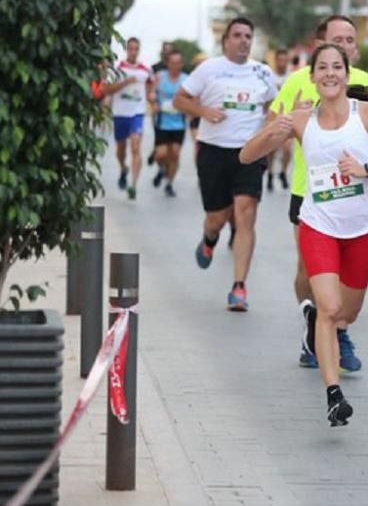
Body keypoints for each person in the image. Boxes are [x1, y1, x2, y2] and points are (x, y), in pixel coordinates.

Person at [240, 43, 368, 426]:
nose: (331, 73)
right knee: (330, 308)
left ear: (347, 76)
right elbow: (247, 156)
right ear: (313, 77)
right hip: (318, 225)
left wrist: (367, 169)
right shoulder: (302, 119)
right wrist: (276, 129)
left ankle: (316, 322)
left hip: (362, 230)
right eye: (323, 68)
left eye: (337, 67)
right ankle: (334, 395)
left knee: (345, 314)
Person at [270, 15, 368, 372]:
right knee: (309, 269)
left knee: (343, 281)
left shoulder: (366, 84)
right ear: (320, 46)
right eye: (338, 39)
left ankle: (336, 330)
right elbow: (277, 123)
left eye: (350, 40)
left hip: (354, 194)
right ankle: (314, 321)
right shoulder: (300, 81)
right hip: (309, 189)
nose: (346, 45)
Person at [173, 17, 277, 311]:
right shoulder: (209, 69)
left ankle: (239, 286)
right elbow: (181, 100)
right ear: (226, 41)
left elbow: (274, 106)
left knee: (246, 215)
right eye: (238, 35)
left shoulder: (262, 72)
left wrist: (268, 136)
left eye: (248, 35)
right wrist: (203, 110)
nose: (244, 40)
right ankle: (209, 237)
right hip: (214, 152)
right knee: (217, 217)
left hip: (249, 153)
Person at [103, 37, 153, 199]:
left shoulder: (145, 70)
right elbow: (108, 89)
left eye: (135, 49)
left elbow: (151, 85)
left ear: (139, 50)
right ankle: (123, 168)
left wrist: (151, 95)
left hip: (137, 113)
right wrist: (125, 82)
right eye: (130, 48)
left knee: (136, 147)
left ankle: (133, 185)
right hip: (120, 113)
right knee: (121, 149)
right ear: (127, 50)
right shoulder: (119, 69)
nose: (133, 51)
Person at [151, 50, 188, 197]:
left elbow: (192, 97)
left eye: (178, 63)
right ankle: (161, 168)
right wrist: (153, 101)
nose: (175, 66)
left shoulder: (186, 79)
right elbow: (151, 93)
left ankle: (169, 183)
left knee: (175, 154)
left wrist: (187, 107)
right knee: (161, 154)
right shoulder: (160, 77)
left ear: (182, 64)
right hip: (162, 121)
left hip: (179, 123)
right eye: (172, 63)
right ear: (168, 63)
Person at [267, 48, 293, 192]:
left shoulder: (292, 77)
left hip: (288, 119)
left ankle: (283, 172)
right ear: (276, 60)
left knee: (287, 149)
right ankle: (270, 173)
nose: (282, 63)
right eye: (280, 60)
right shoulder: (270, 76)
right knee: (271, 151)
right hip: (273, 118)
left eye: (285, 60)